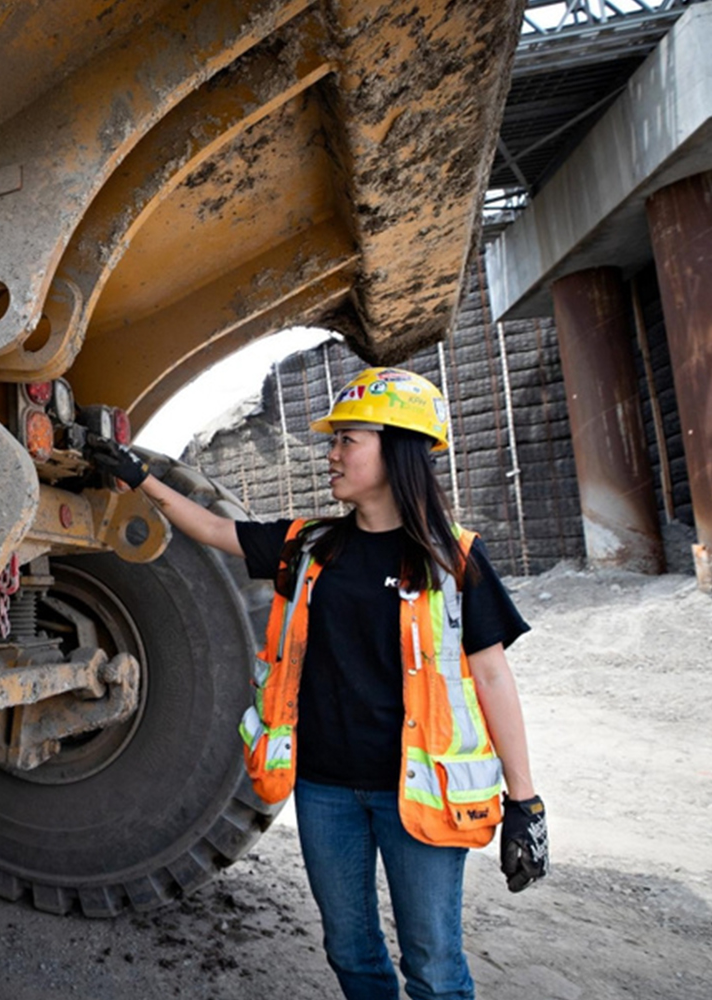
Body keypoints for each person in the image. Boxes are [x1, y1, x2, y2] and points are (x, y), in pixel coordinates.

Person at [89, 366, 549, 1000]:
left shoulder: (455, 558)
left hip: (418, 793)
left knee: (435, 967)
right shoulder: (309, 546)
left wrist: (526, 803)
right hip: (326, 788)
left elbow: (493, 676)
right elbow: (215, 530)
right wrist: (139, 478)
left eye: (347, 440)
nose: (331, 454)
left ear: (398, 449)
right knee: (350, 952)